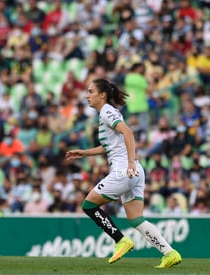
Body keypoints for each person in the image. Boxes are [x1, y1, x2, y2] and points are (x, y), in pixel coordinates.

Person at [65, 78, 182, 268]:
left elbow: (128, 133)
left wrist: (129, 162)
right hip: (134, 171)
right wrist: (85, 153)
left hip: (124, 170)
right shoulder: (108, 113)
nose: (87, 96)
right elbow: (110, 145)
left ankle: (120, 240)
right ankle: (169, 253)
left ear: (102, 95)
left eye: (90, 91)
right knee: (136, 219)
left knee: (88, 205)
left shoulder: (107, 112)